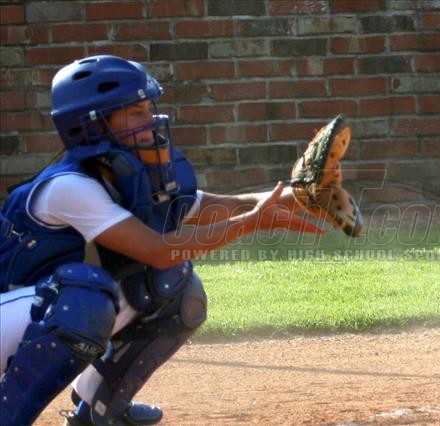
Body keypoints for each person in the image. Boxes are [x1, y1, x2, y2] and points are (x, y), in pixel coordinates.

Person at [0, 55, 323, 426]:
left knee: (172, 286)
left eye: (147, 109)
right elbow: (159, 249)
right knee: (82, 298)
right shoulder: (69, 187)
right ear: (93, 124)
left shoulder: (123, 178)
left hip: (21, 316)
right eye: (136, 112)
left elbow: (217, 206)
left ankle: (99, 411)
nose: (150, 120)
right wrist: (250, 224)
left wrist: (306, 194)